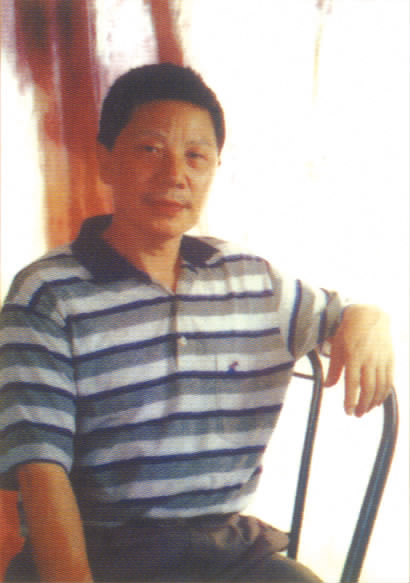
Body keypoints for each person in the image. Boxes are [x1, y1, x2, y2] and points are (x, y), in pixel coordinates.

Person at [0, 63, 393, 583]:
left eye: (196, 156)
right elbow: (40, 472)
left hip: (227, 554)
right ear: (105, 159)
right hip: (100, 552)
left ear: (214, 168)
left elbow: (344, 315)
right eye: (150, 149)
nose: (175, 175)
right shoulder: (47, 294)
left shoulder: (250, 279)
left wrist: (370, 319)